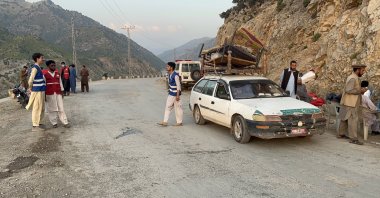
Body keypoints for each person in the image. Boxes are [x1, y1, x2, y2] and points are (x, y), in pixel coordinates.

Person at [337, 64, 367, 145]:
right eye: (362, 70)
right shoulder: (353, 78)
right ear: (358, 70)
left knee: (344, 119)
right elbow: (348, 90)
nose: (363, 72)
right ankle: (353, 138)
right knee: (353, 120)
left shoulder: (353, 77)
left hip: (347, 102)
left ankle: (341, 134)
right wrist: (360, 91)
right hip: (351, 103)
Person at [43, 60, 70, 128]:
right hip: (49, 93)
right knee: (52, 109)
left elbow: (60, 82)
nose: (54, 66)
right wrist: (44, 95)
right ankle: (54, 122)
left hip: (58, 93)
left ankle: (65, 122)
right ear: (48, 66)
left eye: (54, 65)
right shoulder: (45, 74)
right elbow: (44, 85)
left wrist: (62, 91)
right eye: (52, 65)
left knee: (61, 107)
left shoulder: (57, 73)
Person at [157, 62, 183, 126]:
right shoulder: (169, 74)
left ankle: (179, 122)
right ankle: (165, 122)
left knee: (178, 108)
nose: (167, 67)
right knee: (168, 107)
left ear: (171, 68)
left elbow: (178, 86)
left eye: (168, 66)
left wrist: (177, 96)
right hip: (171, 93)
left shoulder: (175, 75)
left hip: (175, 94)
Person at [25, 53, 46, 132]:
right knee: (37, 107)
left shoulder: (38, 67)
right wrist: (30, 88)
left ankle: (39, 122)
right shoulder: (35, 68)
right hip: (37, 91)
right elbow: (30, 80)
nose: (43, 59)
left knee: (41, 107)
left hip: (41, 90)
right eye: (42, 58)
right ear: (37, 59)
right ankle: (35, 125)